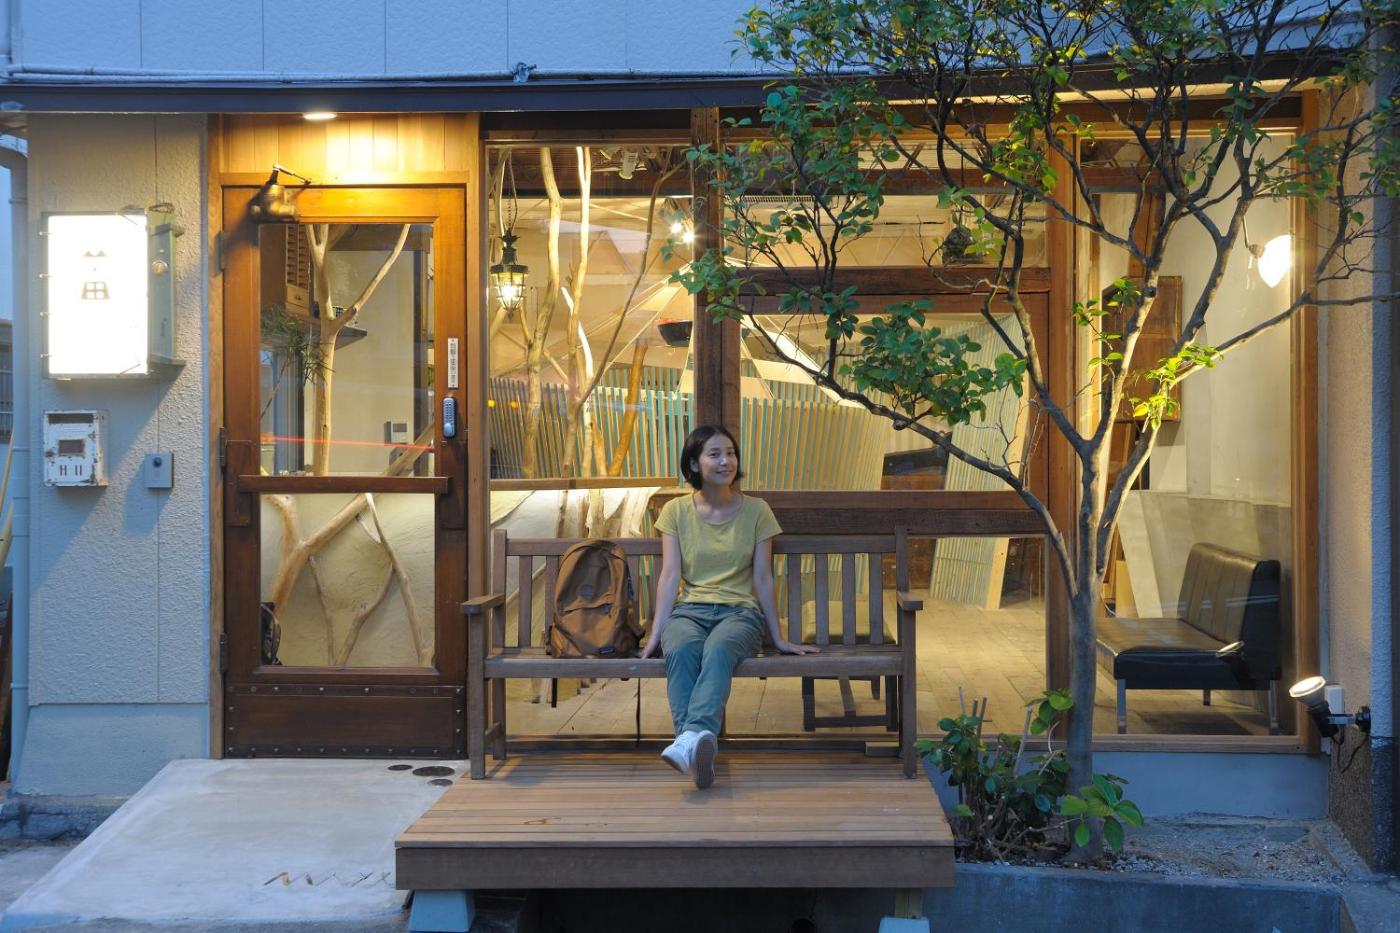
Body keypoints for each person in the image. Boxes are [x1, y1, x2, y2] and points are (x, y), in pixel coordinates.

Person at [640, 424, 818, 789]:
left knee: (718, 649)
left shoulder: (757, 511)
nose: (726, 461)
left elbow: (763, 578)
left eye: (731, 453)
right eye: (715, 454)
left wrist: (778, 637)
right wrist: (656, 634)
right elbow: (670, 576)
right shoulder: (675, 511)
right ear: (694, 463)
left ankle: (688, 739)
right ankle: (695, 745)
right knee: (682, 648)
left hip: (739, 614)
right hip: (689, 611)